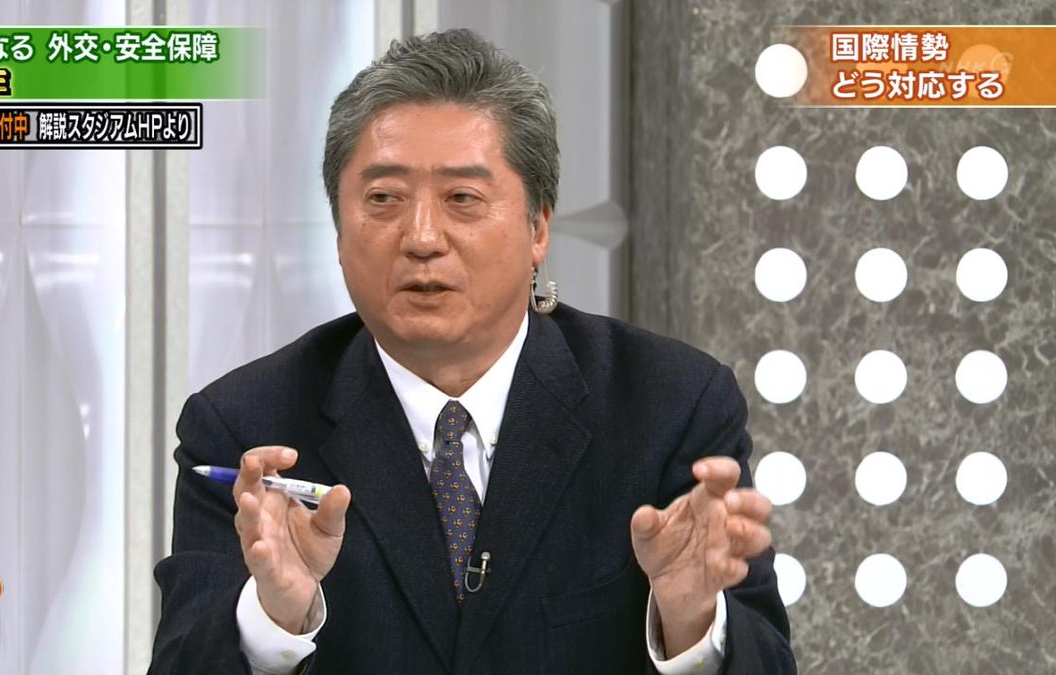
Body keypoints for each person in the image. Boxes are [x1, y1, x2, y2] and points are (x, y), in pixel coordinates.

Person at [150, 29, 794, 674]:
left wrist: (690, 622)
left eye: (462, 198)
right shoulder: (244, 430)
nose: (422, 238)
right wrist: (272, 620)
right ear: (339, 231)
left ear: (538, 227)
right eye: (383, 199)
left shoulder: (669, 405)